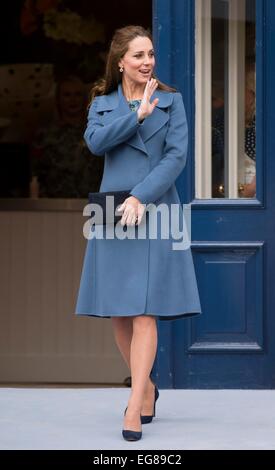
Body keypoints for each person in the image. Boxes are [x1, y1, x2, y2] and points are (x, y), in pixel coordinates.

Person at [75, 25, 202, 441]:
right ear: (120, 62)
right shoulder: (103, 102)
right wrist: (136, 116)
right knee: (120, 309)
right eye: (138, 56)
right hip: (111, 210)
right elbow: (95, 144)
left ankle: (133, 403)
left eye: (150, 54)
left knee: (146, 308)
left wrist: (141, 197)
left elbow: (177, 157)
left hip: (157, 208)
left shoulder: (173, 100)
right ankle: (146, 386)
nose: (147, 62)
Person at [31, 75, 103, 197]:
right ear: (58, 99)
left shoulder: (97, 131)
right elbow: (35, 174)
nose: (73, 100)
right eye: (67, 95)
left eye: (77, 94)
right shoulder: (45, 135)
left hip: (92, 204)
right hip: (54, 205)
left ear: (84, 98)